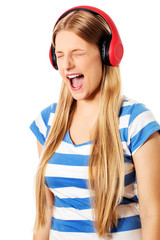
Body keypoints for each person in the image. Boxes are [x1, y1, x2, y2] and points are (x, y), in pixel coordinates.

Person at [30, 5, 160, 240]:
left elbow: (153, 213)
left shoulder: (136, 121)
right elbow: (45, 214)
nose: (67, 64)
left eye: (77, 53)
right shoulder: (46, 123)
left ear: (106, 54)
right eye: (59, 55)